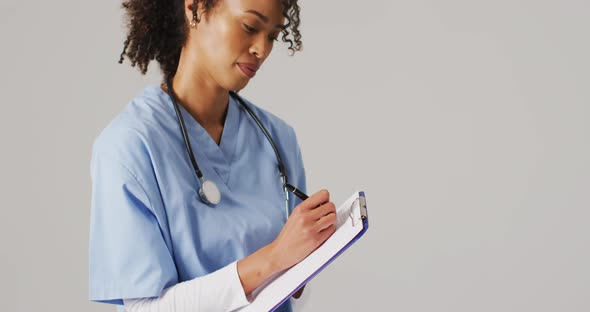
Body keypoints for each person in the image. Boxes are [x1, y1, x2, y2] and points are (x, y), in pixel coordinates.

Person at [88, 0, 337, 311]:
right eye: (250, 27)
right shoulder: (129, 146)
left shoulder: (278, 139)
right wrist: (272, 258)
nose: (262, 49)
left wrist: (307, 253)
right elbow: (144, 307)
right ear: (195, 9)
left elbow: (292, 290)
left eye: (273, 35)